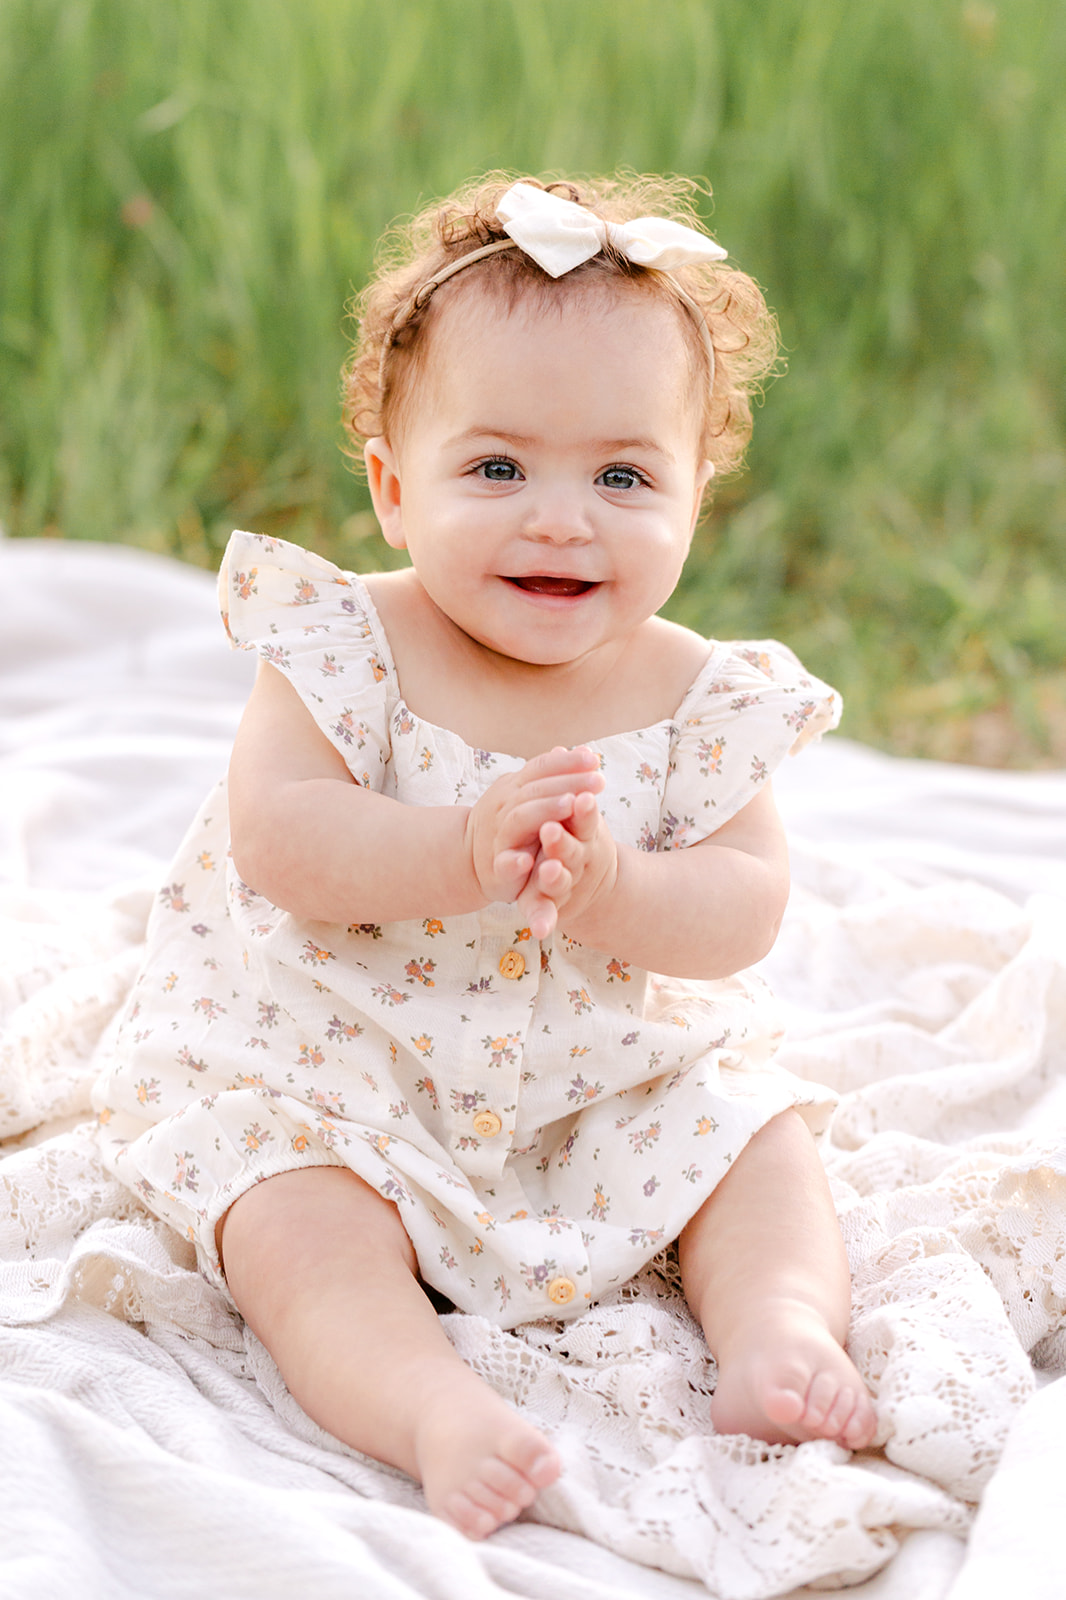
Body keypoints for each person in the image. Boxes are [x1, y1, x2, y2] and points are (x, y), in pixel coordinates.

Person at [94, 172, 877, 1542]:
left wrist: (625, 893)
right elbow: (282, 838)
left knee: (751, 1136)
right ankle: (423, 1403)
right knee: (288, 1210)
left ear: (700, 494)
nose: (560, 517)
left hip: (594, 1067)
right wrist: (458, 849)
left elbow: (745, 907)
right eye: (497, 467)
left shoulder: (702, 697)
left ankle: (780, 1335)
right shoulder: (350, 645)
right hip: (345, 1056)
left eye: (622, 475)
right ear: (395, 491)